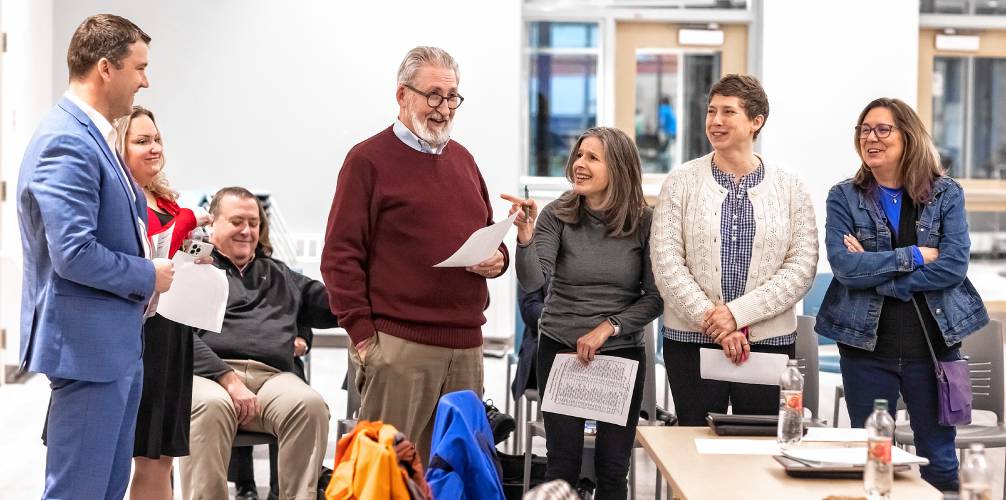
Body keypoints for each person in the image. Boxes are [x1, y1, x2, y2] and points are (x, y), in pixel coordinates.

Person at [322, 46, 508, 464]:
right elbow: (339, 255)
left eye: (452, 96)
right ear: (402, 96)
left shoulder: (464, 160)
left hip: (466, 349)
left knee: (454, 475)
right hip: (399, 348)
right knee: (385, 477)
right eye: (434, 95)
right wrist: (365, 337)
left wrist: (500, 259)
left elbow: (487, 234)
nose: (444, 108)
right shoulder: (367, 160)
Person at [16, 14, 174, 500]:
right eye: (139, 67)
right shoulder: (67, 139)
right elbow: (74, 254)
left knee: (106, 489)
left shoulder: (93, 134)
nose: (146, 79)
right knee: (78, 491)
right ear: (106, 68)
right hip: (87, 349)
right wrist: (148, 273)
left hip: (113, 345)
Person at [815, 97, 989, 492]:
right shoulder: (844, 196)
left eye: (882, 129)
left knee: (940, 463)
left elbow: (952, 267)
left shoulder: (946, 194)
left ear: (907, 136)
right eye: (864, 130)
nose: (870, 138)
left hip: (932, 349)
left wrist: (881, 275)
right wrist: (913, 255)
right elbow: (844, 267)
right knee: (875, 459)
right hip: (865, 349)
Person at [650, 74, 818, 426]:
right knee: (694, 446)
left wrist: (738, 315)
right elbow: (666, 264)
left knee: (757, 450)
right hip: (692, 340)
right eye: (711, 111)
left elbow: (801, 267)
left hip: (768, 343)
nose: (716, 121)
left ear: (757, 122)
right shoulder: (680, 181)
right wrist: (719, 326)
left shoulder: (790, 186)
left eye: (728, 112)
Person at [504, 126, 663, 499]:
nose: (580, 164)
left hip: (621, 354)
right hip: (561, 349)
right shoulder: (556, 215)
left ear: (619, 167)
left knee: (612, 469)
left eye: (592, 157)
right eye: (578, 155)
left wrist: (609, 327)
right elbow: (531, 281)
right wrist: (525, 237)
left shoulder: (644, 221)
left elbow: (655, 299)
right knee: (562, 466)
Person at [180, 187, 337, 500]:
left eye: (253, 223)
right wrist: (228, 380)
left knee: (309, 406)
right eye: (237, 221)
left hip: (271, 378)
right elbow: (178, 336)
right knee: (211, 407)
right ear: (213, 224)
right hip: (209, 377)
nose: (247, 230)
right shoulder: (193, 267)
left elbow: (334, 306)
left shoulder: (280, 274)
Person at [114, 106, 211, 500]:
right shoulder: (121, 196)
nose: (154, 148)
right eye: (141, 141)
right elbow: (146, 253)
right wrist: (187, 221)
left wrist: (195, 253)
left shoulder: (164, 196)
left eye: (156, 139)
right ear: (118, 148)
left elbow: (170, 254)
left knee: (162, 457)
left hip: (173, 332)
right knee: (135, 453)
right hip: (139, 334)